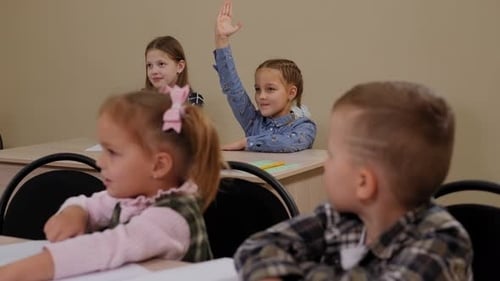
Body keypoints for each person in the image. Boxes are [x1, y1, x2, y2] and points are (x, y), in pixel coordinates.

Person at [234, 81, 473, 280]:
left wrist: (283, 274)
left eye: (333, 155)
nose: (326, 163)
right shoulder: (342, 216)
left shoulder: (442, 244)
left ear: (363, 183)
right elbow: (255, 249)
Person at [0, 85, 223, 280]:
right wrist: (76, 212)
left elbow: (104, 248)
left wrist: (16, 273)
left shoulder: (171, 218)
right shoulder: (136, 195)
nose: (100, 161)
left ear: (158, 166)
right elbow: (90, 204)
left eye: (112, 152)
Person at [213, 0, 316, 152]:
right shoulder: (253, 121)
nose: (261, 96)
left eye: (270, 89)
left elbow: (288, 142)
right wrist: (221, 40)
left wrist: (246, 142)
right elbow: (233, 88)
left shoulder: (304, 126)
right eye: (257, 89)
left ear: (291, 92)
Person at [145, 35, 205, 106]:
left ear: (180, 66)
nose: (154, 71)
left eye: (161, 64)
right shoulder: (142, 100)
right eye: (149, 65)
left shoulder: (193, 100)